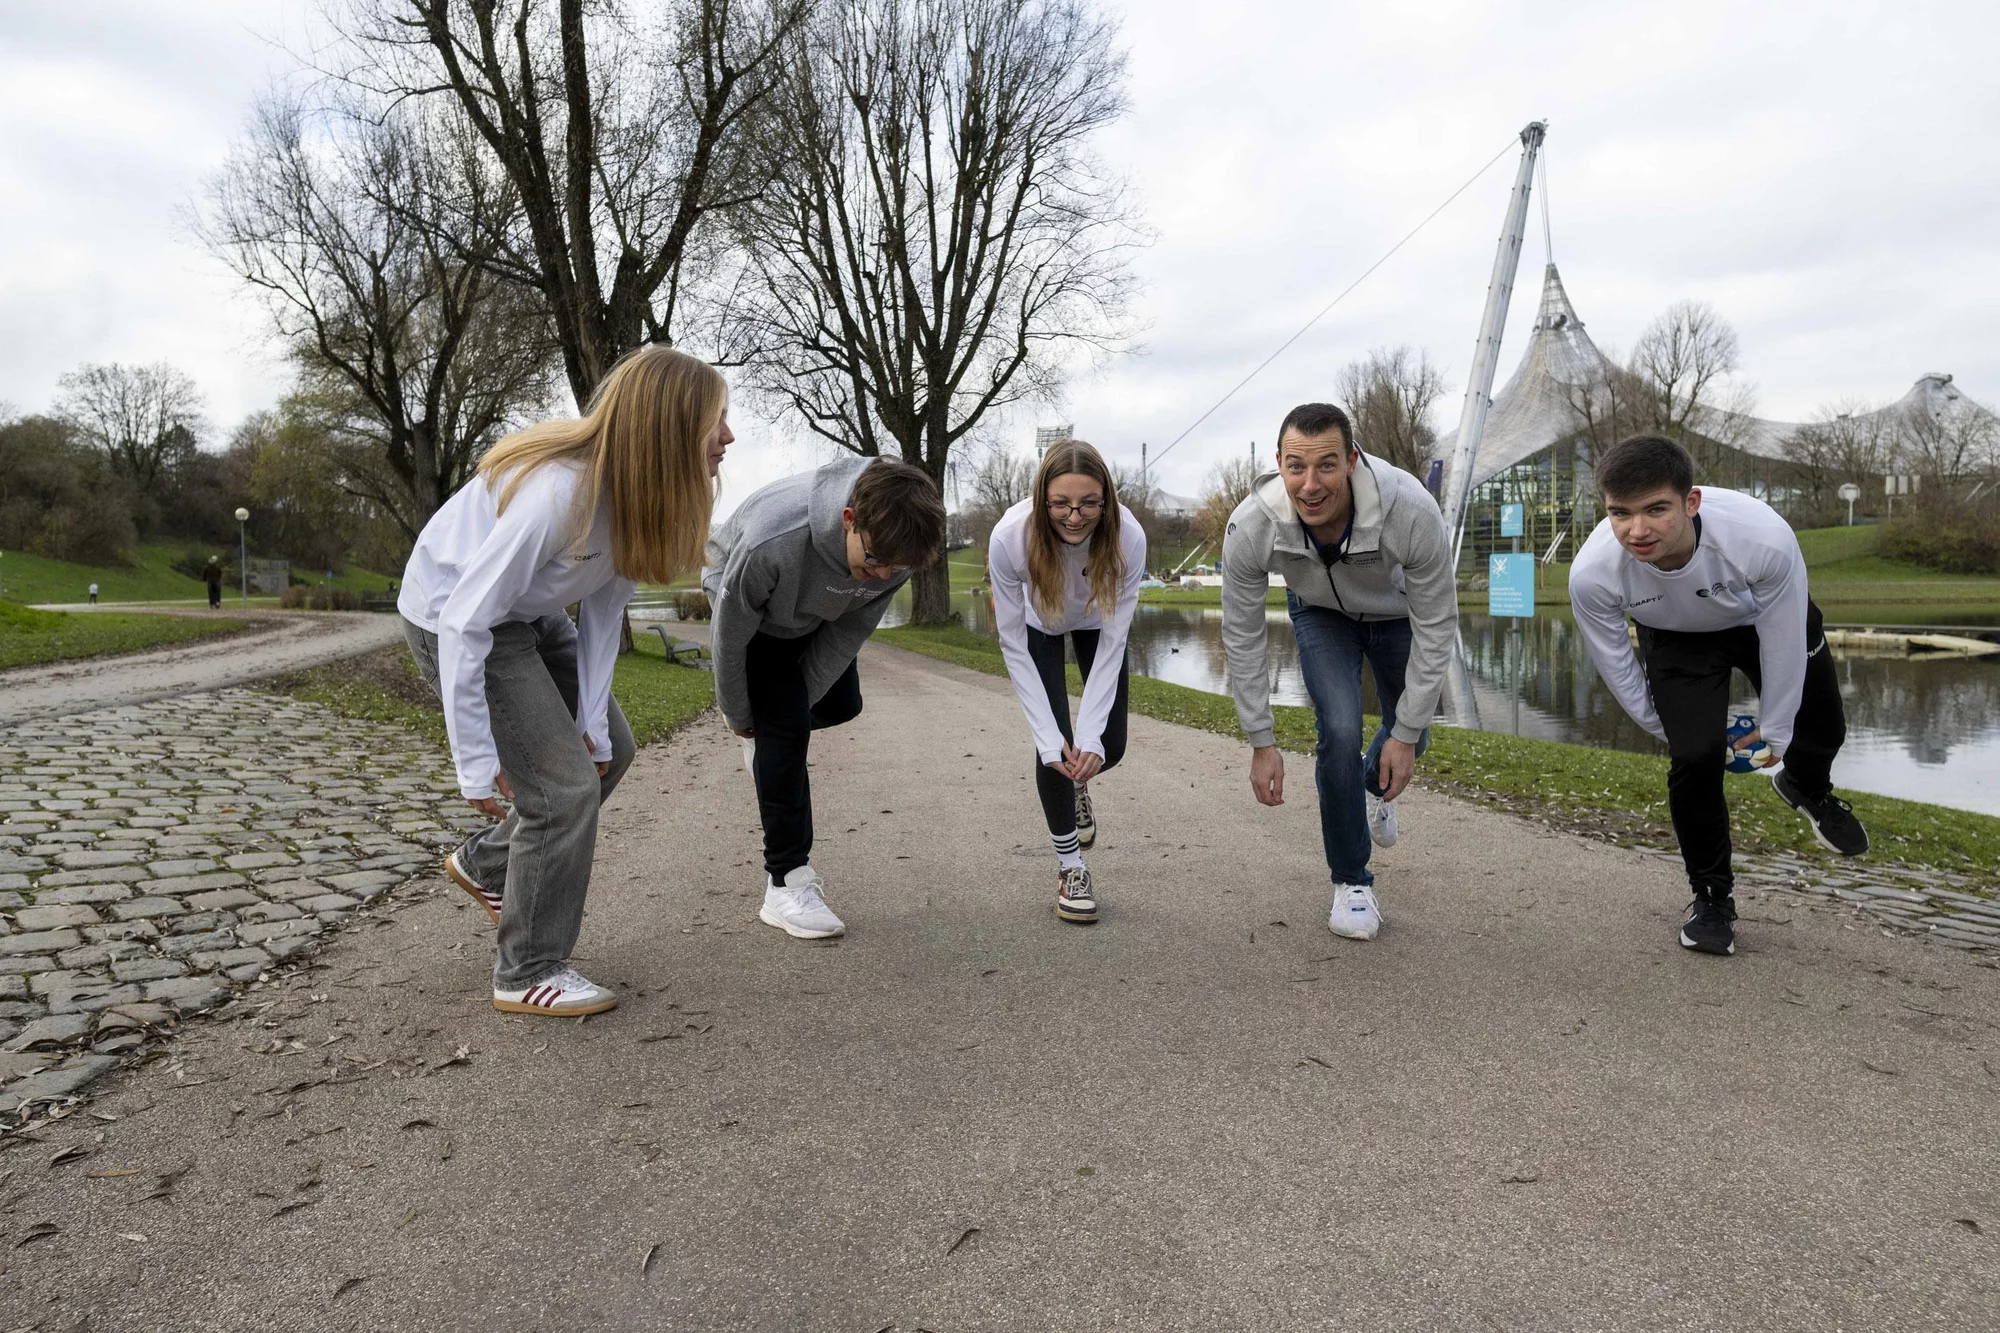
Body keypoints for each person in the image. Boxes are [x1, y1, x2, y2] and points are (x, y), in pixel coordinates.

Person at [398, 345, 729, 1016]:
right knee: (563, 788)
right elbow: (466, 620)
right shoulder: (559, 492)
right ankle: (527, 968)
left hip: (529, 612)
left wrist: (591, 720)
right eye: (715, 420)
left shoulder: (640, 499)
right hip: (454, 615)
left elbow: (605, 612)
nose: (728, 436)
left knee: (612, 750)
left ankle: (490, 864)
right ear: (668, 427)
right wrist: (474, 762)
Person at [1569, 434, 1866, 958]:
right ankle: (1712, 899)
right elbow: (1617, 664)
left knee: (1821, 726)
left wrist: (1774, 735)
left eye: (1656, 510)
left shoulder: (1763, 539)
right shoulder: (1593, 574)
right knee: (1694, 757)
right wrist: (1669, 728)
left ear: (1691, 502)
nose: (1637, 531)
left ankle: (1807, 787)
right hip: (1677, 637)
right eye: (1620, 514)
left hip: (1759, 618)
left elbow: (1781, 643)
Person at [1222, 403, 1457, 940]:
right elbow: (1242, 633)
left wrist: (1404, 732)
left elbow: (1438, 624)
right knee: (1340, 729)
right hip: (1320, 613)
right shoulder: (1253, 523)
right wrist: (1261, 739)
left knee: (1411, 736)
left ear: (1352, 460)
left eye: (1326, 465)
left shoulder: (1411, 509)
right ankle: (1352, 882)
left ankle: (1373, 783)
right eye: (1296, 467)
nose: (1309, 485)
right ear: (1278, 463)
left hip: (1396, 614)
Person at [703, 455, 946, 940]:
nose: (884, 574)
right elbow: (728, 638)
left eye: (897, 568)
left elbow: (849, 633)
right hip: (754, 617)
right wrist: (738, 713)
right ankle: (785, 884)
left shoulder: (896, 550)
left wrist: (778, 720)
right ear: (849, 519)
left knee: (838, 704)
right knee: (786, 727)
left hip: (817, 615)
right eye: (875, 559)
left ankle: (773, 738)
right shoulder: (773, 537)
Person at [987, 439, 1145, 923]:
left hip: (1098, 622)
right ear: (1042, 499)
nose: (1075, 516)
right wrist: (1047, 736)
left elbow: (1115, 643)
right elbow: (1012, 643)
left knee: (1109, 746)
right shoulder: (1010, 537)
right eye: (1060, 503)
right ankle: (1070, 866)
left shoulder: (1129, 537)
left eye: (1089, 503)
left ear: (1106, 500)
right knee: (1053, 750)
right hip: (1038, 625)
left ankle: (1080, 786)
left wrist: (1093, 737)